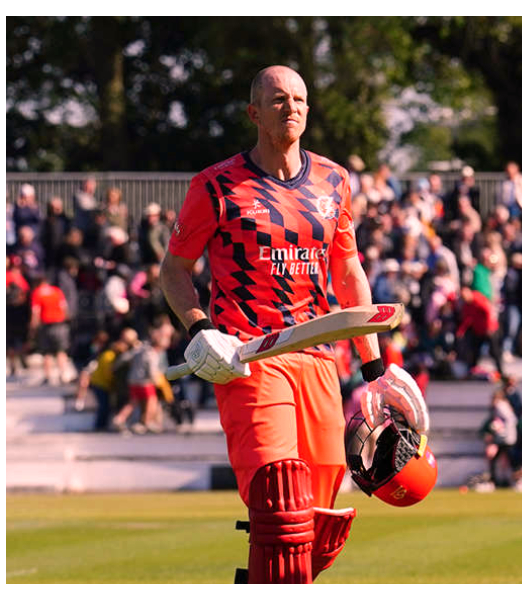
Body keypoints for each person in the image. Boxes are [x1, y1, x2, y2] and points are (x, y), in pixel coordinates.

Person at [159, 65, 429, 584]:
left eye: (300, 99)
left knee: (320, 524)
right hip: (250, 359)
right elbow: (173, 270)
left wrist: (375, 369)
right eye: (279, 99)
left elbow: (348, 271)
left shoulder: (333, 180)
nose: (292, 108)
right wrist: (198, 330)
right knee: (280, 497)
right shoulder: (215, 186)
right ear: (253, 112)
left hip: (320, 358)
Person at [30, 273, 72, 386]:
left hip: (46, 325)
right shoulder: (57, 291)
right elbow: (64, 307)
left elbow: (36, 311)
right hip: (60, 324)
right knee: (61, 351)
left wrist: (33, 327)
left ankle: (47, 377)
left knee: (47, 352)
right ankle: (63, 375)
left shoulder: (37, 293)